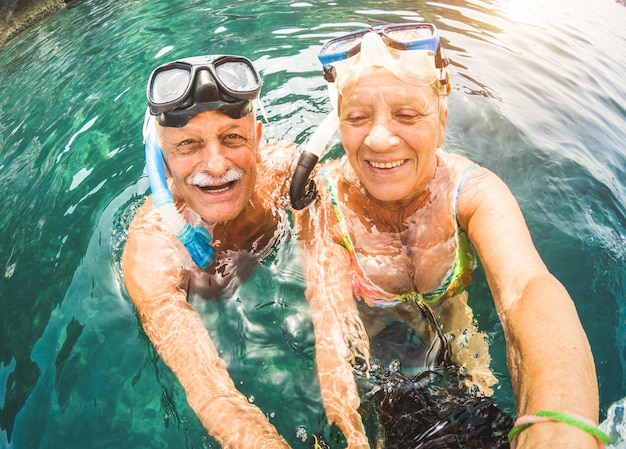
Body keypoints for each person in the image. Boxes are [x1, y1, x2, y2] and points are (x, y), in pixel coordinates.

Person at [292, 23, 604, 449]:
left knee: (482, 403)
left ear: (440, 122)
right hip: (371, 328)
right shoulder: (323, 201)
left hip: (453, 317)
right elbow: (331, 330)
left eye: (406, 114)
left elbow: (526, 289)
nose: (380, 139)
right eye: (358, 117)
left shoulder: (472, 192)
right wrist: (349, 428)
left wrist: (559, 420)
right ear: (340, 124)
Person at [122, 54, 296, 448]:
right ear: (160, 162)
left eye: (233, 137)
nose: (216, 165)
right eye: (188, 145)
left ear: (259, 139)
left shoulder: (284, 173)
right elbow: (213, 395)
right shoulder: (154, 252)